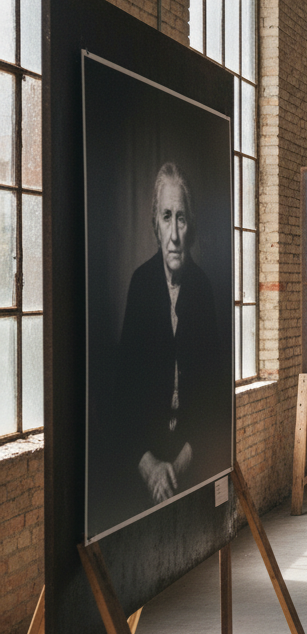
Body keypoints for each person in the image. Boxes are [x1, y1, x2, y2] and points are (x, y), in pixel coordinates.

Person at [121, 163, 227, 506]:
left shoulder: (204, 290)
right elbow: (121, 393)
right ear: (155, 222)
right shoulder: (140, 285)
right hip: (144, 463)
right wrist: (149, 467)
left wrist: (178, 467)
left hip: (190, 461)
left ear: (191, 225)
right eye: (167, 217)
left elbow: (213, 398)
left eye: (181, 218)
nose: (175, 234)